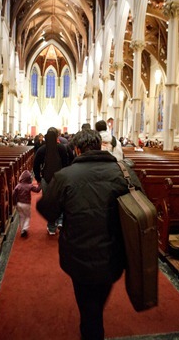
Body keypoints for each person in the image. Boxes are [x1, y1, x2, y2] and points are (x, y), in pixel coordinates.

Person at [36, 129, 137, 340]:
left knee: (88, 307)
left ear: (77, 149)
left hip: (79, 256)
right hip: (113, 255)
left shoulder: (65, 176)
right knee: (96, 303)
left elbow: (48, 210)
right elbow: (139, 209)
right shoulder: (124, 172)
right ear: (99, 146)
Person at [33, 127, 74, 234]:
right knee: (61, 200)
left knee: (50, 203)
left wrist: (38, 178)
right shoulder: (62, 148)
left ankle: (51, 227)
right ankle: (60, 221)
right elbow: (66, 163)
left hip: (46, 179)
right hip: (60, 179)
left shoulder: (42, 149)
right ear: (57, 136)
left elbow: (36, 165)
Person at [13, 170, 41, 237]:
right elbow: (37, 190)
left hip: (19, 203)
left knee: (21, 217)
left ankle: (22, 229)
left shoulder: (18, 185)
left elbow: (14, 194)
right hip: (26, 204)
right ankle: (25, 229)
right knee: (27, 217)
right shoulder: (29, 186)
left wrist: (14, 202)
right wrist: (40, 185)